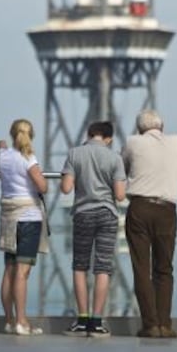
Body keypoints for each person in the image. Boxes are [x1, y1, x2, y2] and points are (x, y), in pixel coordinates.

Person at [122, 109, 177, 338]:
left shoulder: (132, 142)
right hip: (167, 210)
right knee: (164, 268)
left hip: (140, 208)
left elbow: (123, 168)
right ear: (162, 126)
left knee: (141, 268)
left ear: (140, 129)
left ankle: (150, 325)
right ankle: (165, 324)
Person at [60, 121, 126, 338]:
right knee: (103, 268)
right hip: (107, 214)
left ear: (89, 134)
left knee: (80, 266)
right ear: (108, 138)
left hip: (83, 214)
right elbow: (119, 195)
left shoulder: (75, 153)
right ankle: (97, 323)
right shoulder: (115, 157)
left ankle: (82, 320)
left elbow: (66, 188)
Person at [0, 119, 48, 336]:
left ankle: (9, 320)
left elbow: (4, 150)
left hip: (8, 217)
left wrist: (2, 146)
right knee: (22, 273)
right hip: (28, 217)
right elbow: (42, 186)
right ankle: (22, 321)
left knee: (9, 270)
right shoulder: (29, 159)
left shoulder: (4, 157)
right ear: (30, 135)